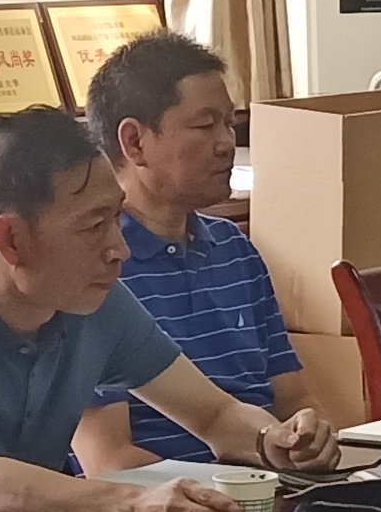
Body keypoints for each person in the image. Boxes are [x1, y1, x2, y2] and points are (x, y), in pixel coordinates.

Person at [0, 106, 330, 512]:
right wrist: (131, 506)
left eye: (116, 219)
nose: (120, 248)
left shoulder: (94, 304)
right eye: (94, 226)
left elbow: (216, 416)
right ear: (11, 240)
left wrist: (273, 441)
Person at [85, 30, 310, 462]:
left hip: (265, 475)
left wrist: (310, 435)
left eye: (229, 123)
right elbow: (109, 460)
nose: (227, 143)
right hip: (166, 494)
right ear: (134, 142)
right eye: (205, 125)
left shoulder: (235, 248)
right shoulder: (94, 271)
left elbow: (294, 400)